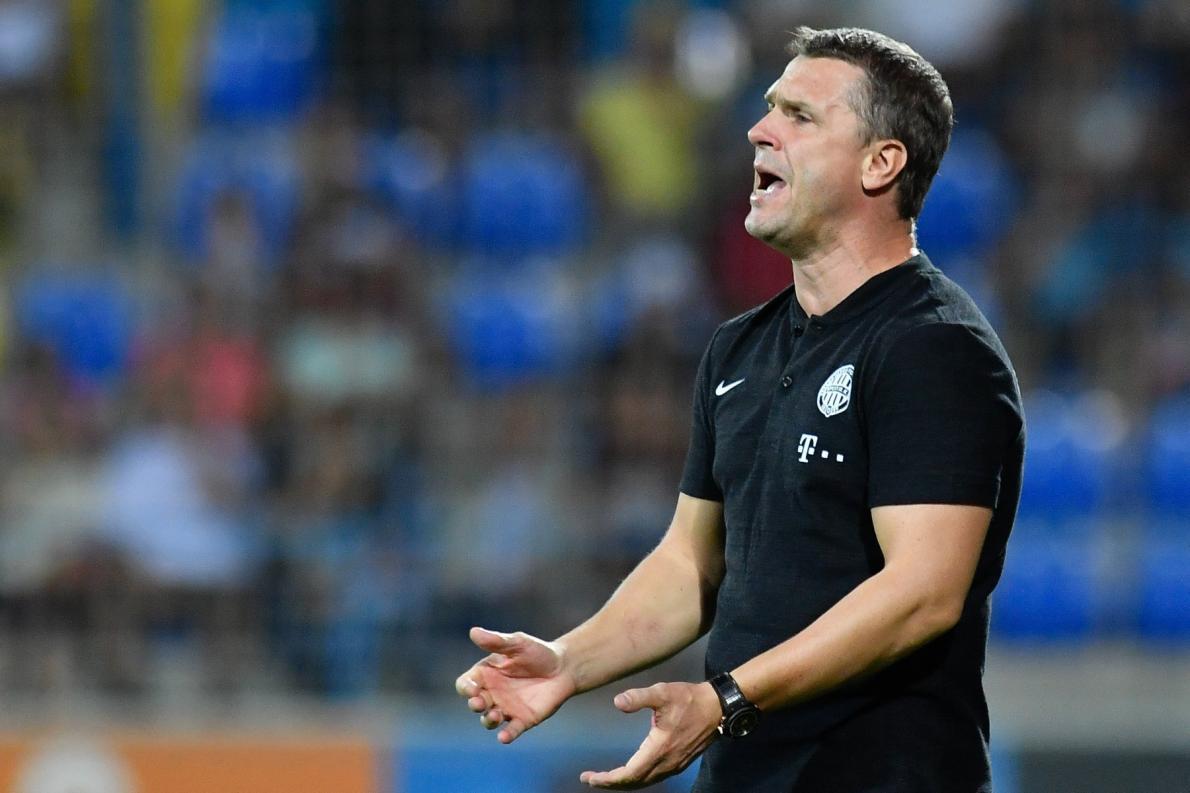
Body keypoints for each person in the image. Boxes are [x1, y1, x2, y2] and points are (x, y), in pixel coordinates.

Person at [455, 26, 1024, 793]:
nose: (760, 130)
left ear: (881, 163)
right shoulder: (737, 350)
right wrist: (568, 660)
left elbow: (922, 594)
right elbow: (691, 563)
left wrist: (727, 697)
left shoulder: (935, 348)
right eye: (768, 108)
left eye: (800, 115)